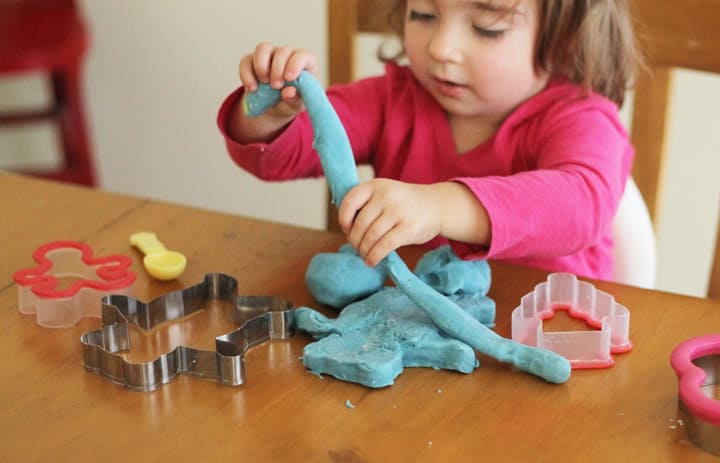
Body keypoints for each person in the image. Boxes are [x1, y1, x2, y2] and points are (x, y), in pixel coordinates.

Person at [216, 0, 639, 281]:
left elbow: (582, 205)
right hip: (413, 347)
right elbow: (279, 156)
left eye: (486, 27)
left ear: (563, 37)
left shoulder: (581, 117)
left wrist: (439, 206)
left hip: (542, 344)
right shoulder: (392, 100)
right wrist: (270, 115)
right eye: (422, 13)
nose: (441, 47)